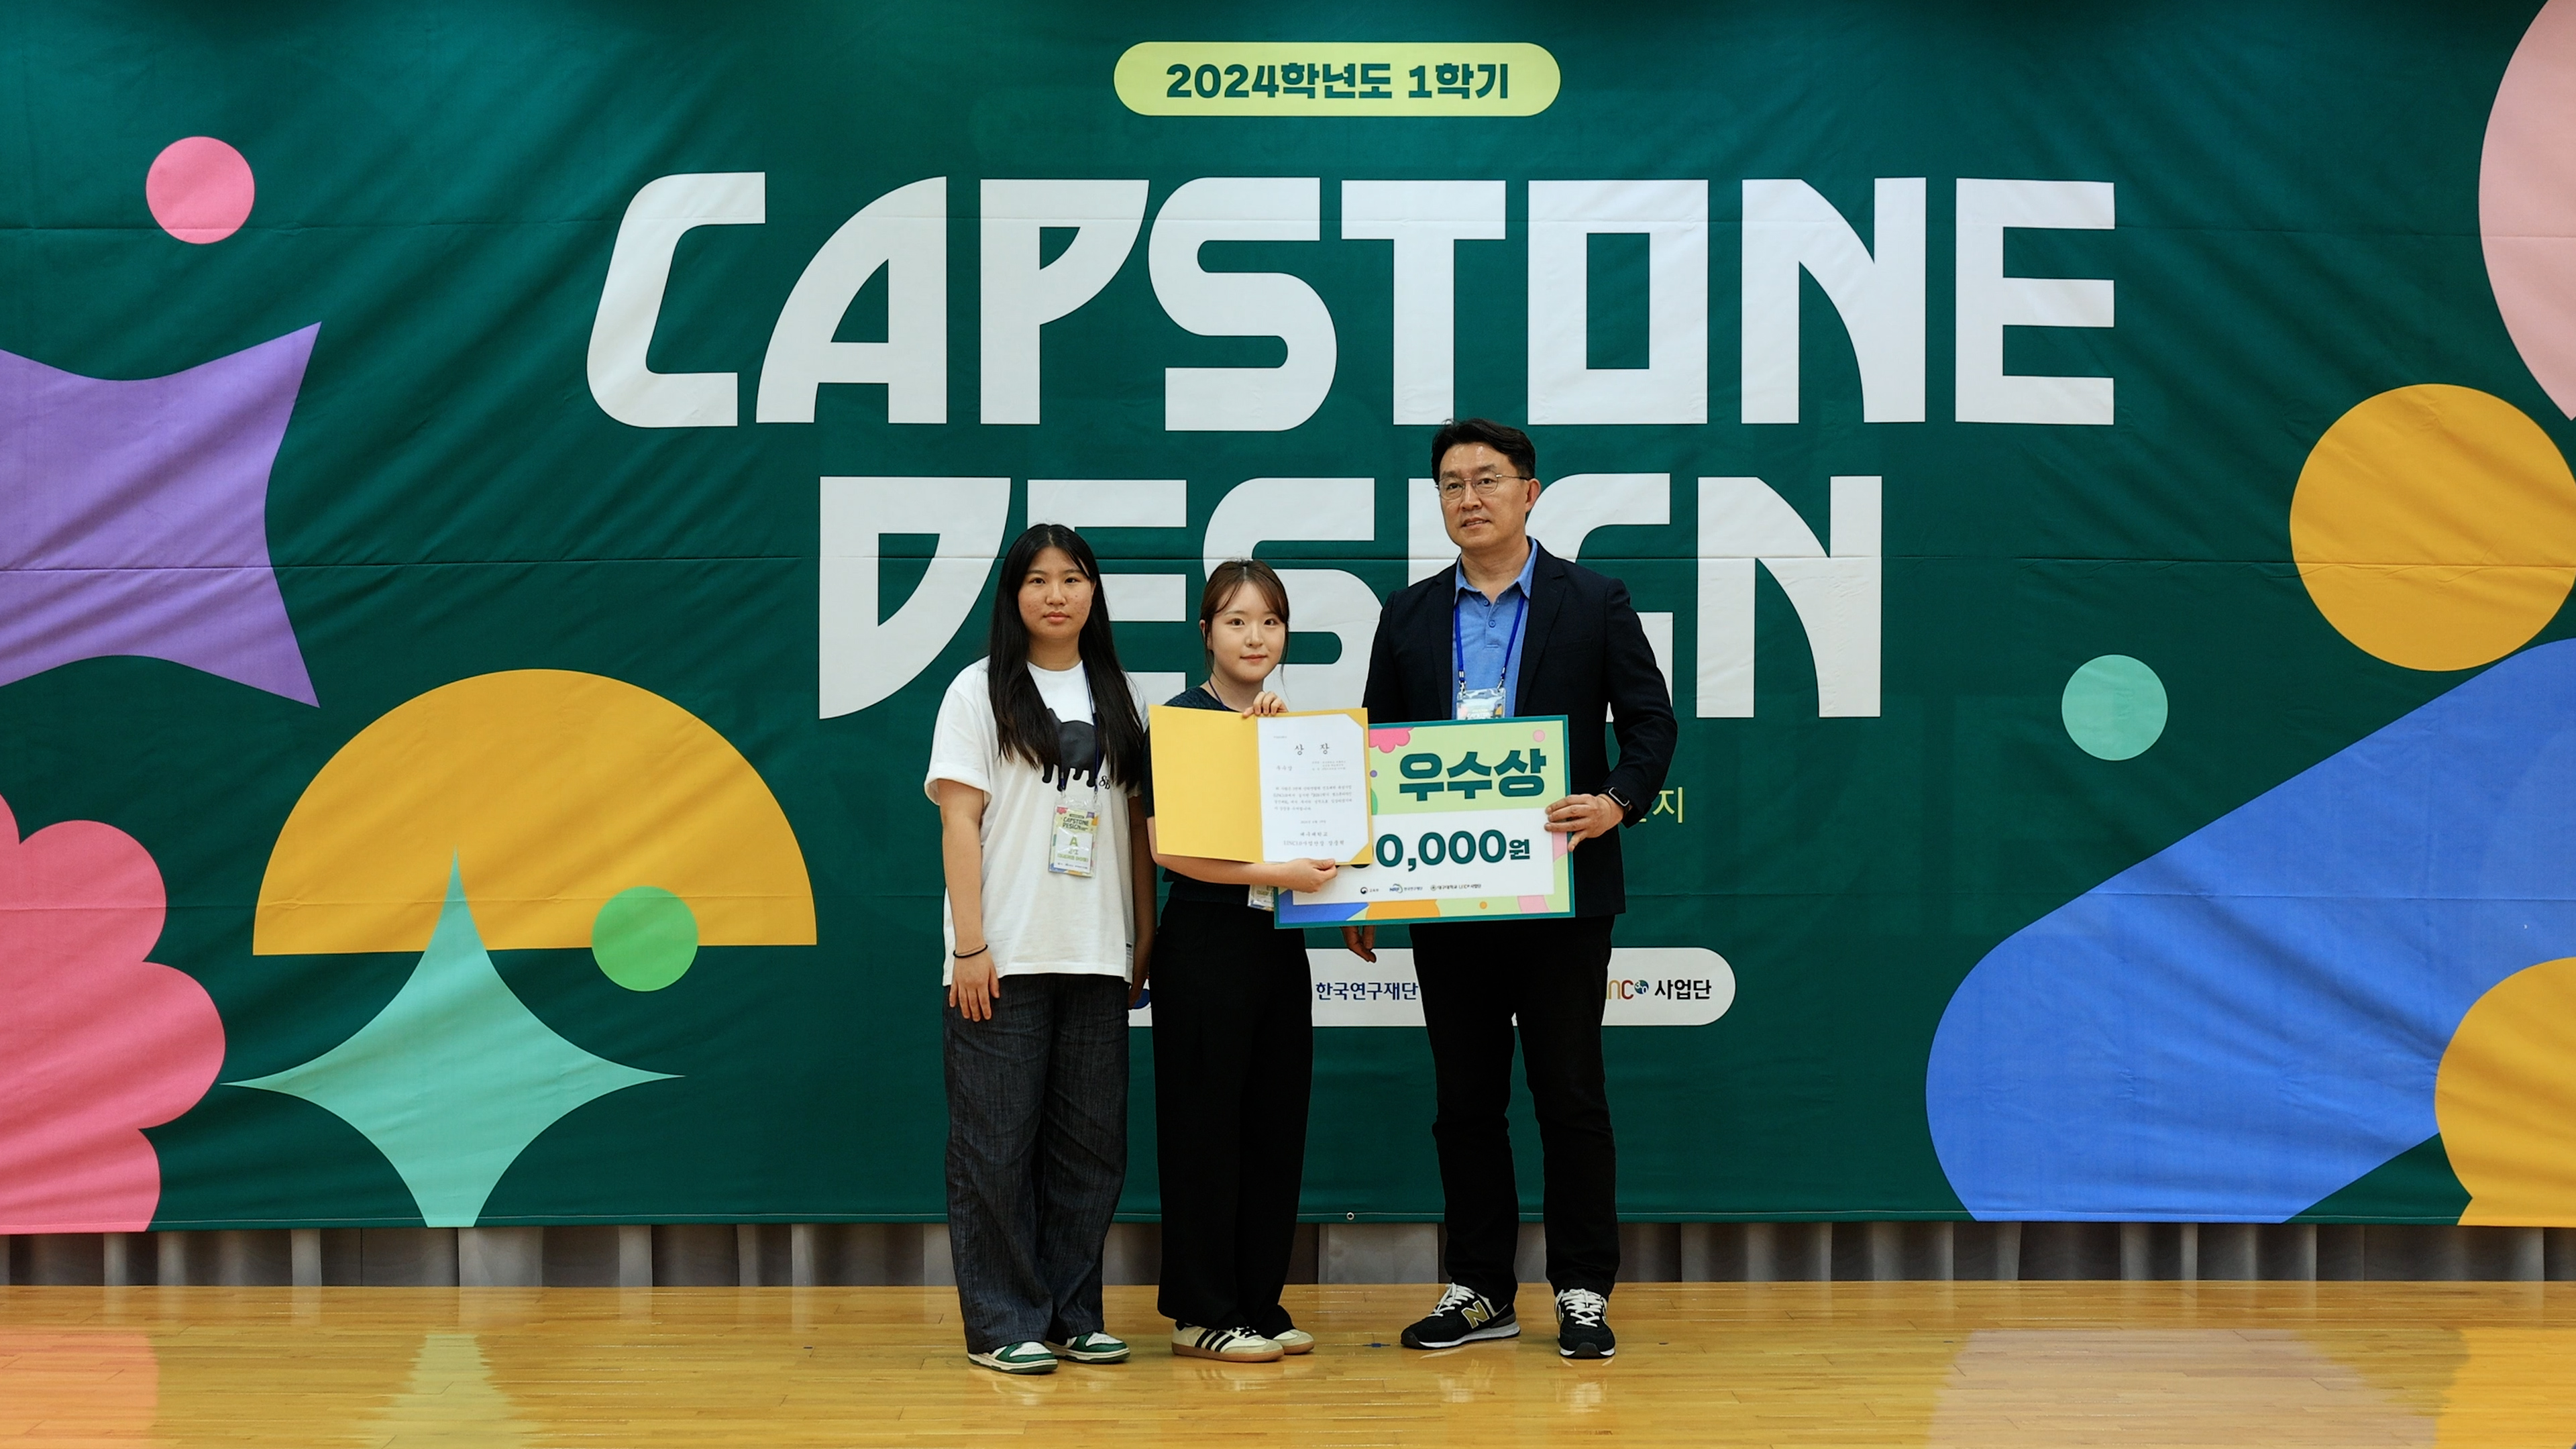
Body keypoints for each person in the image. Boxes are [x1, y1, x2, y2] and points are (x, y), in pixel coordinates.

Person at [1348, 417, 1676, 1360]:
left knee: (1569, 1095)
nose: (1470, 498)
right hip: (1445, 898)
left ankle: (1582, 1288)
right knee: (1465, 1100)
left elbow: (1651, 725)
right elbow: (1375, 753)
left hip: (1561, 890)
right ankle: (1480, 1288)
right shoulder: (1408, 614)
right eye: (1452, 484)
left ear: (1529, 493)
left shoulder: (1595, 599)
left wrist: (1616, 802)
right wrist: (1364, 887)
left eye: (1487, 480)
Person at [924, 523, 1157, 1376]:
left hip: (1096, 955)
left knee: (1090, 1150)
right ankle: (1001, 1323)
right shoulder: (977, 690)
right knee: (994, 1148)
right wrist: (970, 945)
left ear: (1094, 592)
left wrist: (1143, 937)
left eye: (1073, 578)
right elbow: (959, 821)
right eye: (1038, 580)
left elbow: (1136, 826)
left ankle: (1071, 1314)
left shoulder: (1120, 694)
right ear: (1013, 595)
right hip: (1004, 956)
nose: (1056, 595)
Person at [1143, 559, 1339, 1363]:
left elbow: (1331, 840)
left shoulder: (1295, 728)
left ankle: (1259, 1302)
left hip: (1277, 944)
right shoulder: (1180, 722)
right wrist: (1277, 872)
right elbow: (1169, 849)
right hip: (1204, 943)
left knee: (1273, 1127)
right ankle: (1201, 1311)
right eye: (1236, 621)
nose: (1255, 637)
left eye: (1270, 622)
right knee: (1204, 1130)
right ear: (1206, 633)